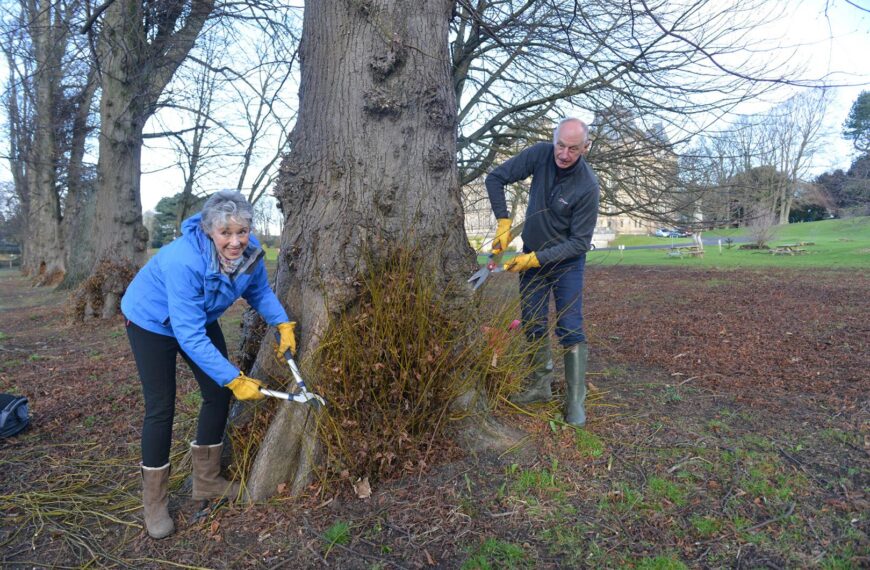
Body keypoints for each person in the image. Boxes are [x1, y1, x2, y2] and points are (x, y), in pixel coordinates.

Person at [121, 190, 296, 539]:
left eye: (242, 231)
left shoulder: (250, 253)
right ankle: (154, 503)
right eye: (225, 233)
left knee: (217, 394)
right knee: (161, 407)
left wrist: (282, 324)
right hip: (152, 322)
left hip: (196, 319)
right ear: (208, 231)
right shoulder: (182, 261)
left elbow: (259, 291)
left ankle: (207, 482)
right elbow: (188, 335)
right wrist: (234, 377)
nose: (235, 241)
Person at [485, 117, 599, 427]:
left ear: (585, 148)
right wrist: (503, 222)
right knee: (533, 322)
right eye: (560, 145)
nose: (563, 154)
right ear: (553, 140)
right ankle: (539, 386)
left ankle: (576, 401)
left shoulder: (587, 186)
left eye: (573, 149)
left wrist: (535, 259)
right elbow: (495, 178)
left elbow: (579, 243)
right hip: (531, 258)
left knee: (570, 327)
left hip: (566, 264)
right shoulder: (540, 155)